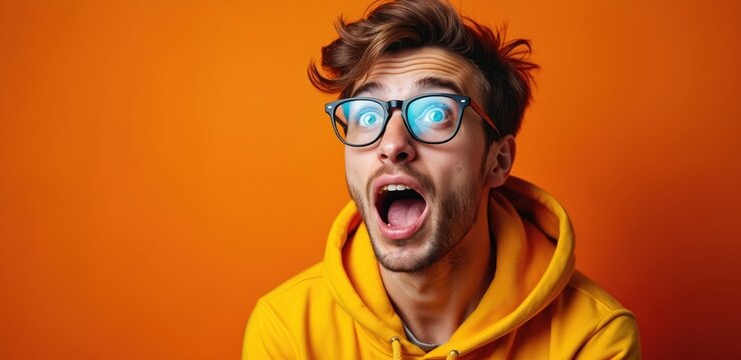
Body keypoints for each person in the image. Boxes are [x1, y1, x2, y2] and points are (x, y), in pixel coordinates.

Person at [242, 0, 640, 358]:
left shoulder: (591, 337)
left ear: (497, 160)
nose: (392, 143)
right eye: (366, 115)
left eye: (435, 113)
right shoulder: (290, 331)